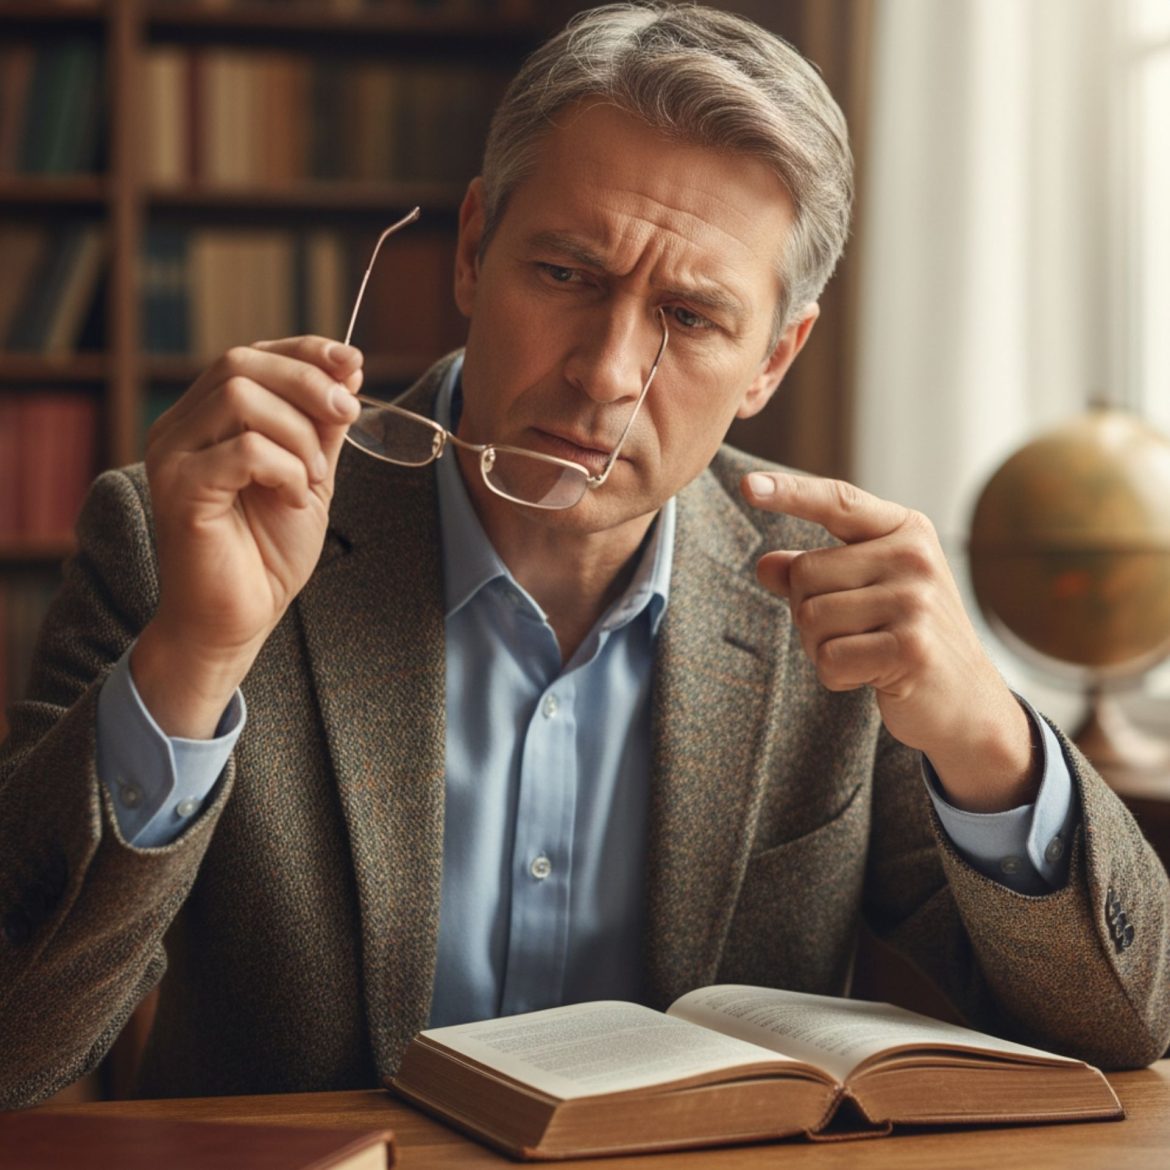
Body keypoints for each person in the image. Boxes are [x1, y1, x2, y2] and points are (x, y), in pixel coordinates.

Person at [1, 2, 1167, 1109]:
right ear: (472, 251)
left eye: (693, 317)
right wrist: (195, 662)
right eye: (567, 275)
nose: (608, 371)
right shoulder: (188, 543)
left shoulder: (837, 610)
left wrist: (990, 745)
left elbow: (1130, 1024)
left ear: (774, 358)